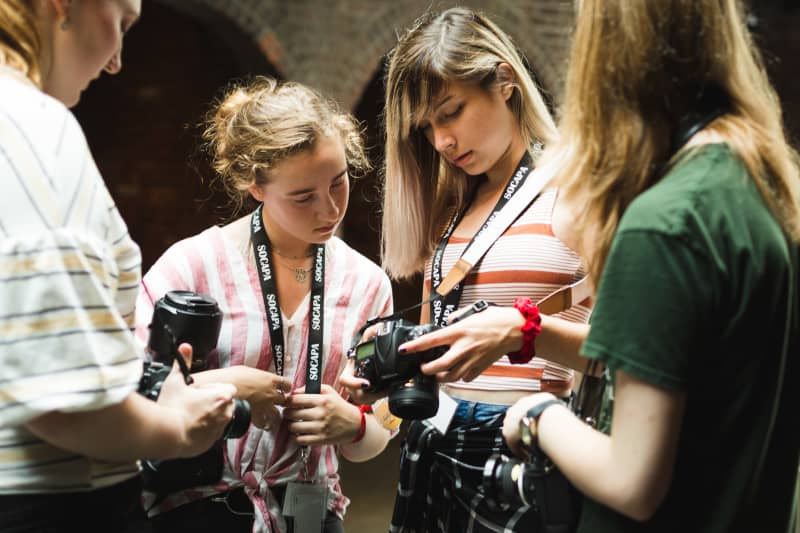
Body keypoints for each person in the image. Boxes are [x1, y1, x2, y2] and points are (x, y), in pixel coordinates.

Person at [501, 1, 800, 532]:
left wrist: (534, 417)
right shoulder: (767, 186)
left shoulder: (664, 223)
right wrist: (525, 332)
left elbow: (631, 481)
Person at [341, 7, 592, 532]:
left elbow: (625, 359)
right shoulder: (450, 209)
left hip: (530, 454)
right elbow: (438, 364)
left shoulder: (580, 188)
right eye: (427, 126)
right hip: (434, 449)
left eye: (450, 111)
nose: (441, 142)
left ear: (504, 81)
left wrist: (525, 332)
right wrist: (380, 394)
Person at [0, 1, 238, 532]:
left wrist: (142, 380)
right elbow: (65, 399)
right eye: (123, 23)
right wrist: (177, 426)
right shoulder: (34, 126)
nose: (116, 63)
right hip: (53, 505)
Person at [134, 77, 395, 533]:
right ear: (254, 186)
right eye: (303, 197)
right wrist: (223, 385)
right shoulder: (192, 266)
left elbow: (379, 432)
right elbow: (131, 391)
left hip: (312, 514)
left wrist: (351, 425)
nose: (329, 209)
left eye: (339, 182)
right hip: (198, 510)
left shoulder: (367, 284)